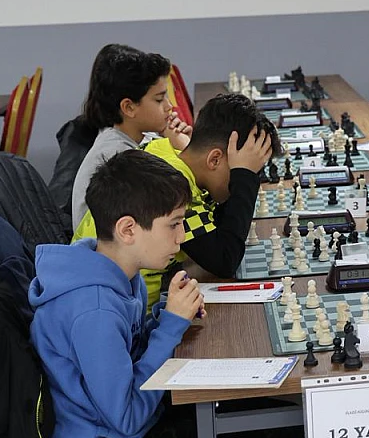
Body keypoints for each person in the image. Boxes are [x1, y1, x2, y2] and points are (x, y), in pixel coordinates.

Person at [32, 150, 282, 438]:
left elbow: (129, 354)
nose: (182, 237)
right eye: (174, 224)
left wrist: (165, 314)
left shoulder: (119, 271)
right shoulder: (93, 311)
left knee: (282, 428)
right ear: (128, 229)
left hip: (131, 426)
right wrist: (169, 328)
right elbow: (128, 418)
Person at [72, 92, 277, 307]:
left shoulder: (165, 154)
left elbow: (217, 226)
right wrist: (245, 179)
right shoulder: (174, 188)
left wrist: (240, 174)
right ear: (215, 159)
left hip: (117, 298)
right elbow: (225, 259)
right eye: (249, 172)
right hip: (123, 310)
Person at [68, 44, 191, 229]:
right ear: (129, 107)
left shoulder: (143, 138)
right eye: (159, 99)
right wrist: (187, 152)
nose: (169, 106)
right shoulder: (118, 157)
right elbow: (173, 205)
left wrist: (180, 145)